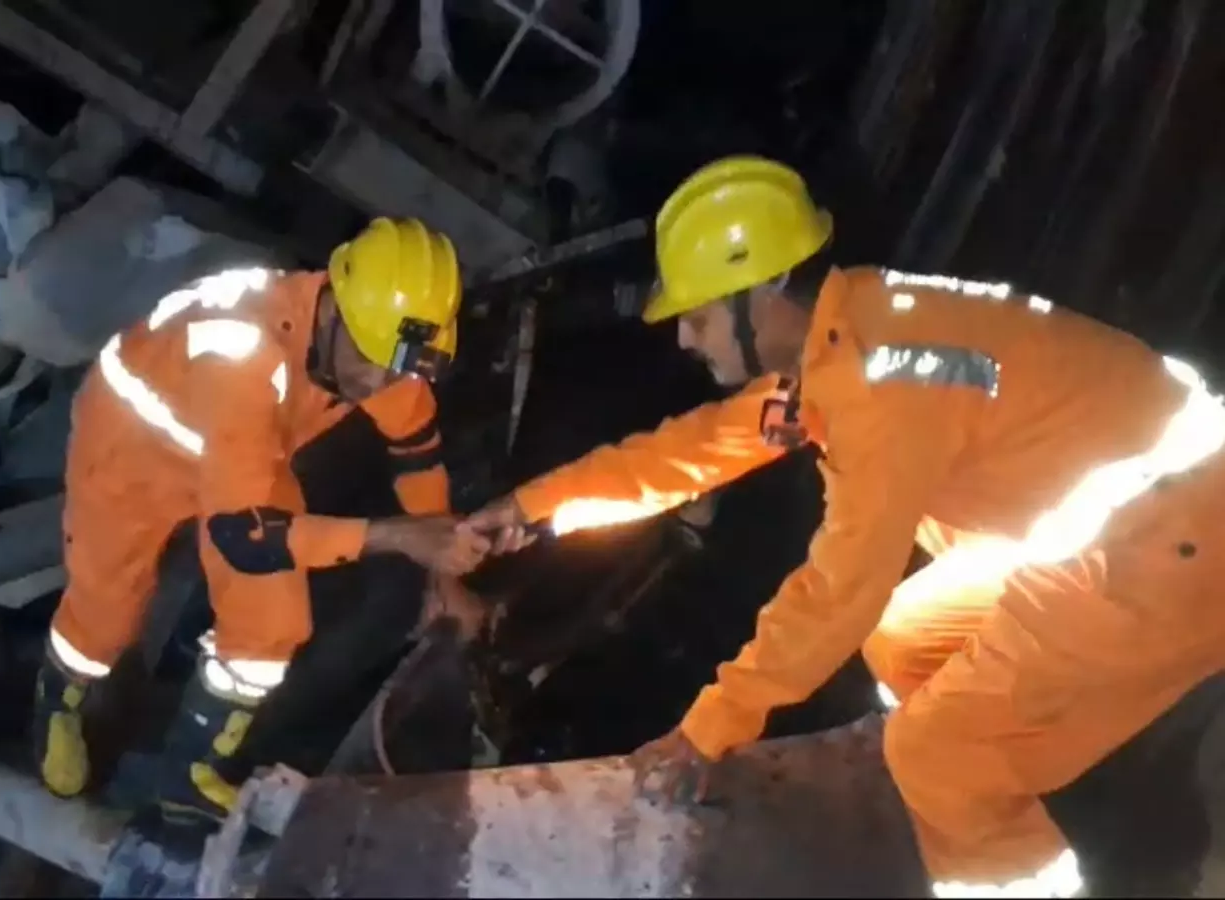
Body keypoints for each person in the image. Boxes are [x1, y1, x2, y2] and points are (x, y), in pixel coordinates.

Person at [464, 156, 1225, 896]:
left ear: (763, 296)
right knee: (905, 640)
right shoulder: (846, 332)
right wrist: (536, 506)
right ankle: (977, 796)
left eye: (697, 318)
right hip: (1122, 522)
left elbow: (839, 590)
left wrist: (711, 726)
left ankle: (1017, 867)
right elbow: (697, 449)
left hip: (1171, 548)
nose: (686, 339)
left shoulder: (881, 386)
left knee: (933, 754)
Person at [35, 217, 491, 821]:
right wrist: (396, 537)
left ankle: (188, 775)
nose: (378, 383)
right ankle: (58, 698)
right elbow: (246, 537)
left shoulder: (380, 347)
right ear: (332, 308)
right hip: (134, 447)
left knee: (272, 620)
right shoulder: (241, 349)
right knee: (105, 612)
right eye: (370, 360)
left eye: (396, 367)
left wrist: (445, 574)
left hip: (247, 453)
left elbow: (418, 454)